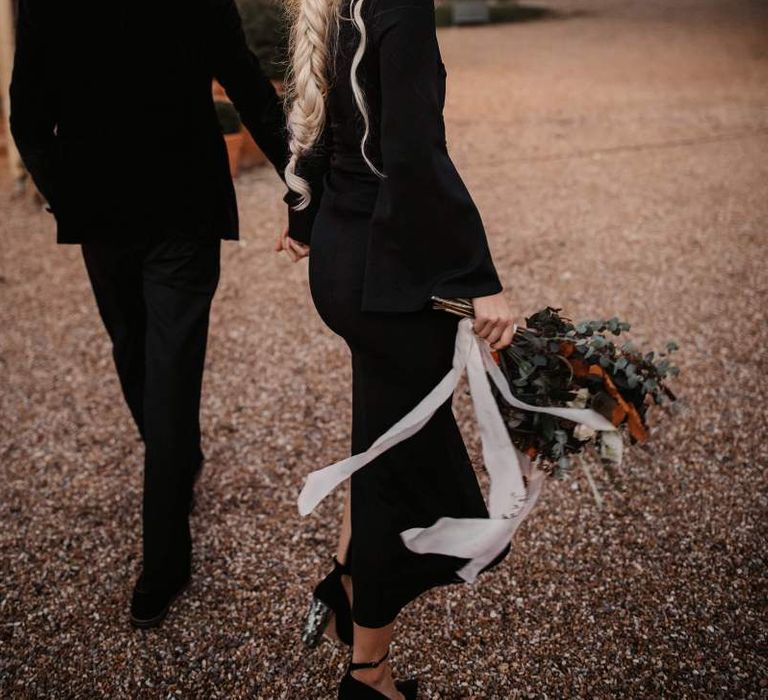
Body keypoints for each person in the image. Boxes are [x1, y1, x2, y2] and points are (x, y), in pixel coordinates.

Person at [10, 0, 299, 628]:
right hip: (147, 208)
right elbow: (248, 87)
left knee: (151, 360)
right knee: (148, 358)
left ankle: (165, 555)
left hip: (149, 211)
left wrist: (66, 196)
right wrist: (301, 186)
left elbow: (28, 117)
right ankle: (174, 465)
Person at [276, 0, 517, 696]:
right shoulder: (399, 3)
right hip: (385, 277)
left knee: (380, 438)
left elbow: (317, 121)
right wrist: (479, 281)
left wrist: (304, 211)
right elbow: (414, 156)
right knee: (399, 478)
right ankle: (368, 675)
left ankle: (346, 588)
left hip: (343, 263)